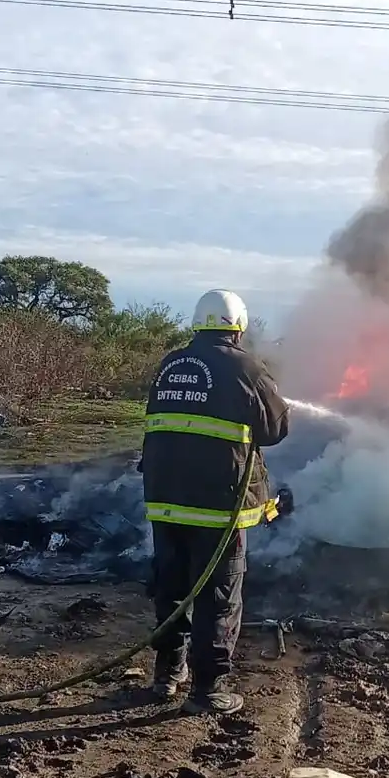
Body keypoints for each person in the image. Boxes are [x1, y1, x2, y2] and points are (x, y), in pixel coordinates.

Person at [140, 289, 289, 713]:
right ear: (238, 327)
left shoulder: (171, 365)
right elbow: (275, 429)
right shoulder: (245, 367)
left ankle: (168, 675)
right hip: (217, 506)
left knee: (171, 589)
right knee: (218, 596)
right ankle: (208, 690)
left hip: (165, 500)